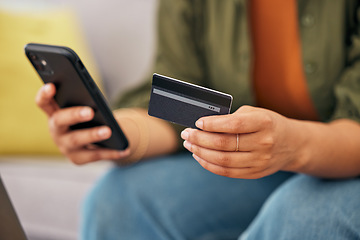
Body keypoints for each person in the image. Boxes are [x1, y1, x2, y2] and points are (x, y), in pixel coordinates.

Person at [36, 0, 360, 239]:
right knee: (119, 198)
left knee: (304, 217)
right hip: (258, 170)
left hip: (345, 161)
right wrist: (118, 133)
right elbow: (179, 103)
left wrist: (292, 146)